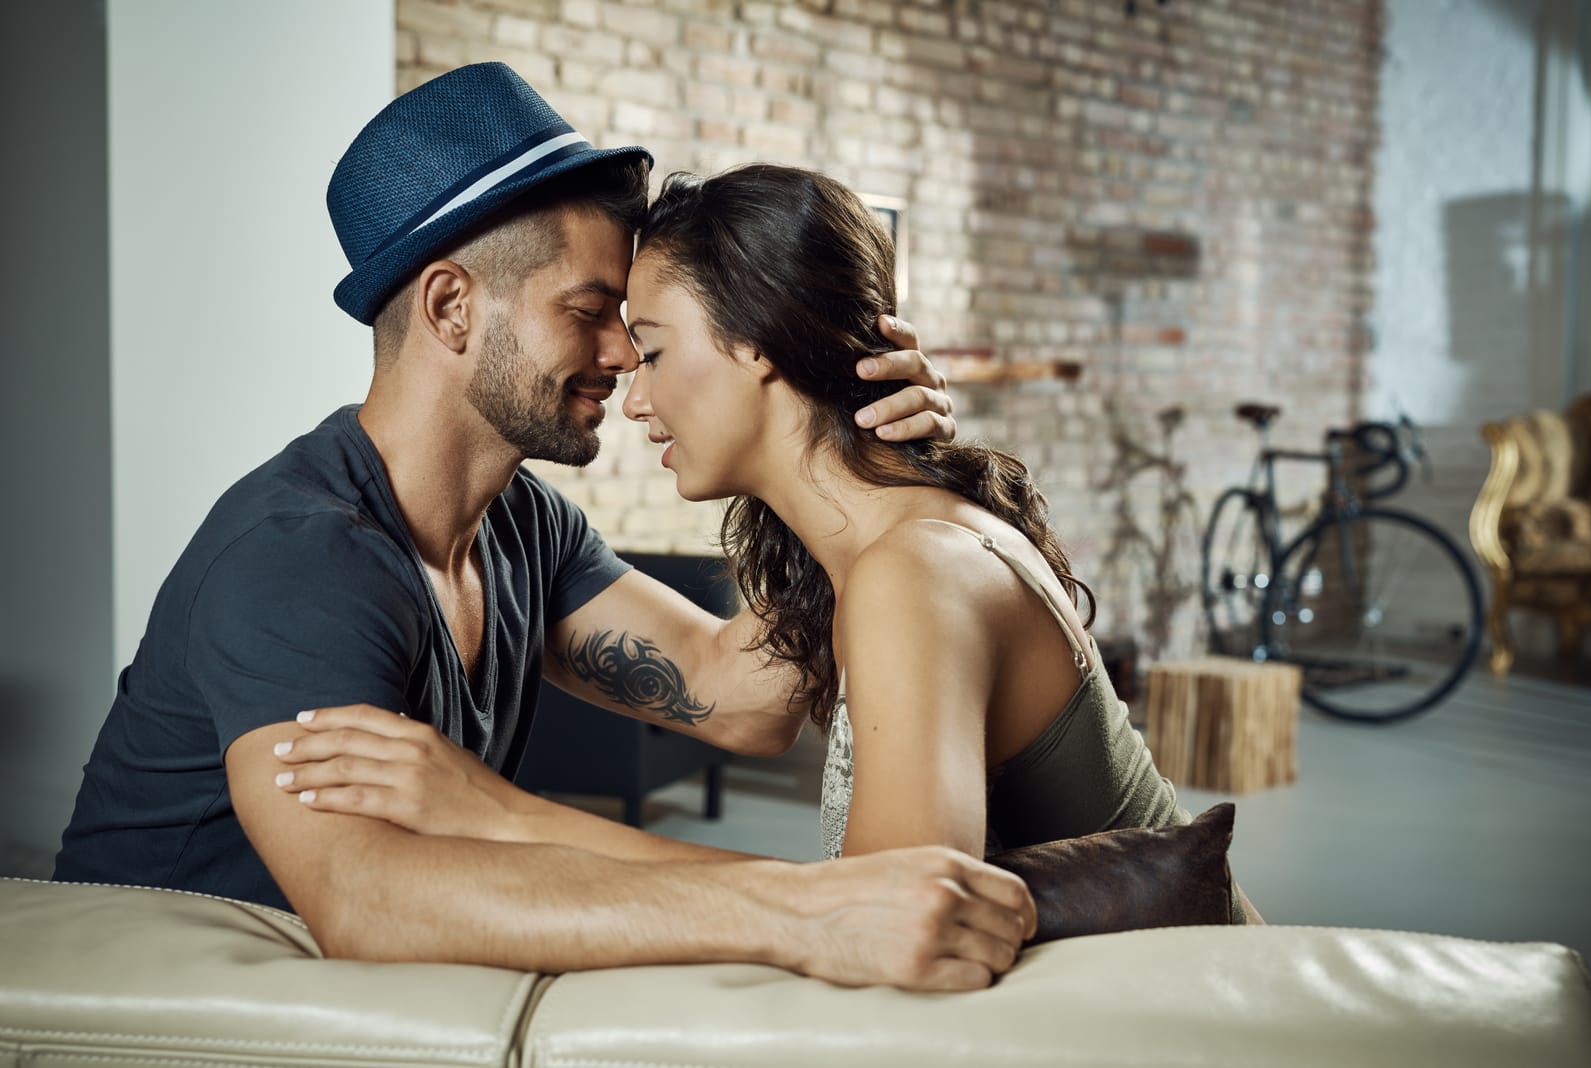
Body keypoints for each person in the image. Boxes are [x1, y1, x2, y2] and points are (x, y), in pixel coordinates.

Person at [52, 63, 1038, 992]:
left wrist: (847, 452)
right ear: (450, 307)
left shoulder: (521, 525)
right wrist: (803, 907)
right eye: (590, 310)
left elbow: (739, 698)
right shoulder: (298, 555)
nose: (624, 355)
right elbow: (365, 902)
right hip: (169, 999)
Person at [277, 159, 1262, 924]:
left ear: (756, 340)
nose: (634, 388)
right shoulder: (893, 555)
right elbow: (734, 696)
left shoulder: (912, 570)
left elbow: (893, 926)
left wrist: (498, 816)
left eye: (653, 347)